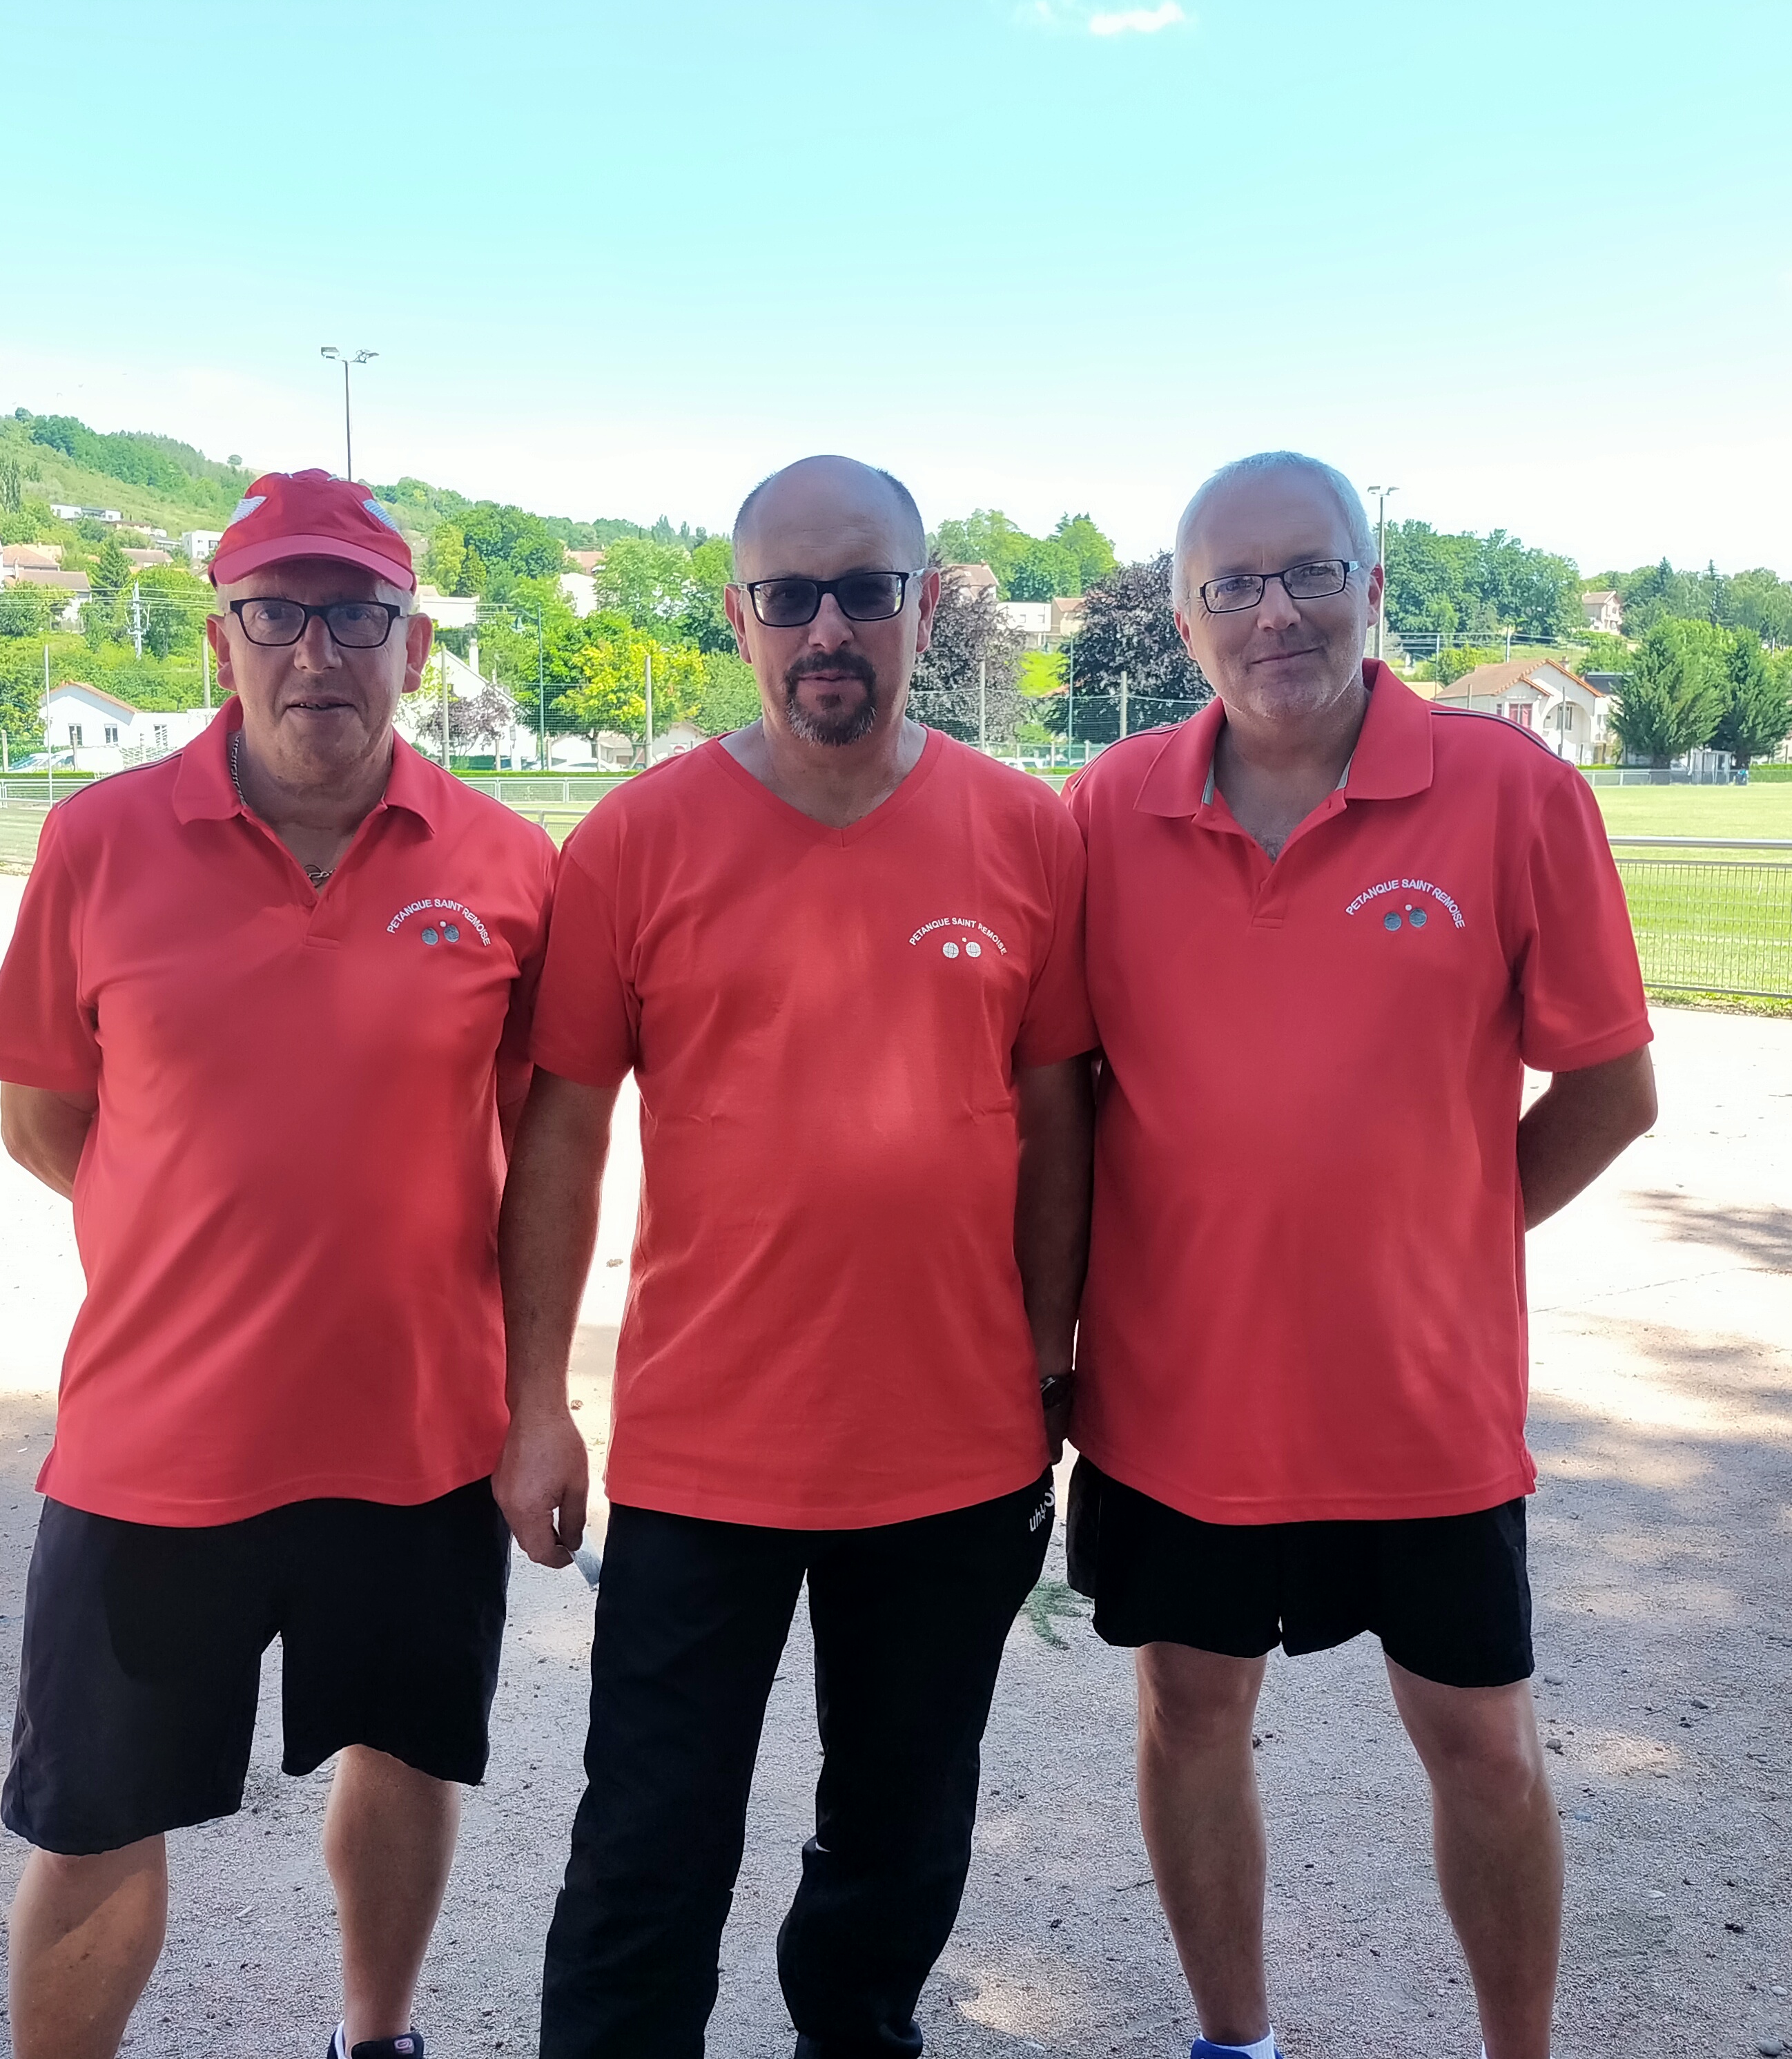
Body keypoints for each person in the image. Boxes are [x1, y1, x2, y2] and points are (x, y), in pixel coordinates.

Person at [495, 454, 1095, 2058]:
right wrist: (537, 1401)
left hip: (953, 1454)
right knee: (646, 1856)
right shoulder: (633, 842)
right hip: (706, 1456)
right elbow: (561, 1133)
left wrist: (1050, 1364)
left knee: (897, 1848)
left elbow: (1056, 1126)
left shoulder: (1025, 835)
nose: (828, 628)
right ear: (737, 616)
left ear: (924, 600)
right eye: (789, 596)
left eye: (865, 591)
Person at [1061, 452, 1659, 2059]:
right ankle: (1232, 2043)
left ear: (1373, 590)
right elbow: (1056, 1093)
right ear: (1182, 619)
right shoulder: (1104, 813)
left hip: (1417, 1402)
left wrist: (1453, 1232)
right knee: (1193, 1718)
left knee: (1478, 1743)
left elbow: (1610, 1087)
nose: (1275, 613)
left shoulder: (1512, 794)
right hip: (1176, 1395)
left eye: (1310, 573)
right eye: (1232, 585)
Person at [0, 470, 558, 2059]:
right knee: (93, 1817)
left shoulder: (506, 864)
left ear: (413, 646)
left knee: (407, 1756)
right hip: (159, 1441)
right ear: (223, 642)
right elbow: (45, 1120)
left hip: (418, 1436)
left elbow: (528, 1160)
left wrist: (532, 1399)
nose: (318, 653)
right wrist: (197, 1246)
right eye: (278, 615)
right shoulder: (98, 841)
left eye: (355, 615)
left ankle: (378, 2038)